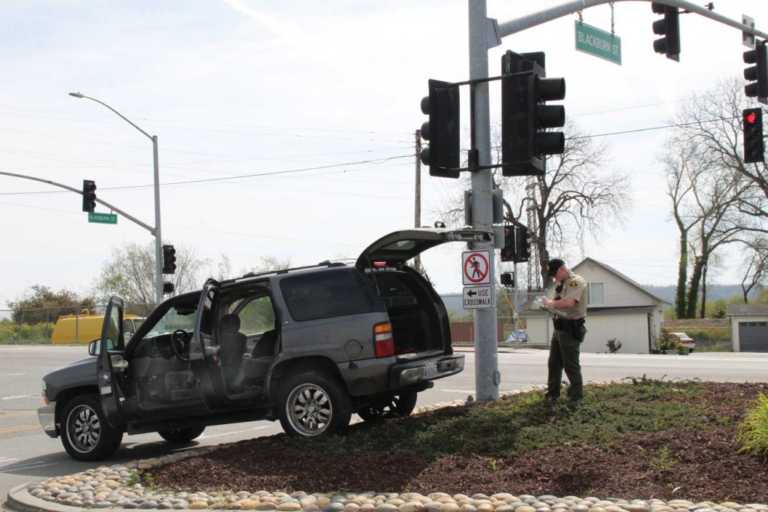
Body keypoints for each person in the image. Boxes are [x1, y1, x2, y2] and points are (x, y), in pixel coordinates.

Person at [541, 258, 588, 408]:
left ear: (562, 269)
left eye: (555, 274)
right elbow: (559, 302)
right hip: (559, 327)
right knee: (554, 363)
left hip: (570, 327)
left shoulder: (576, 281)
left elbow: (569, 303)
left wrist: (550, 303)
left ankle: (576, 398)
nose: (554, 278)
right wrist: (547, 305)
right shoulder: (561, 283)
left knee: (571, 365)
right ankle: (552, 394)